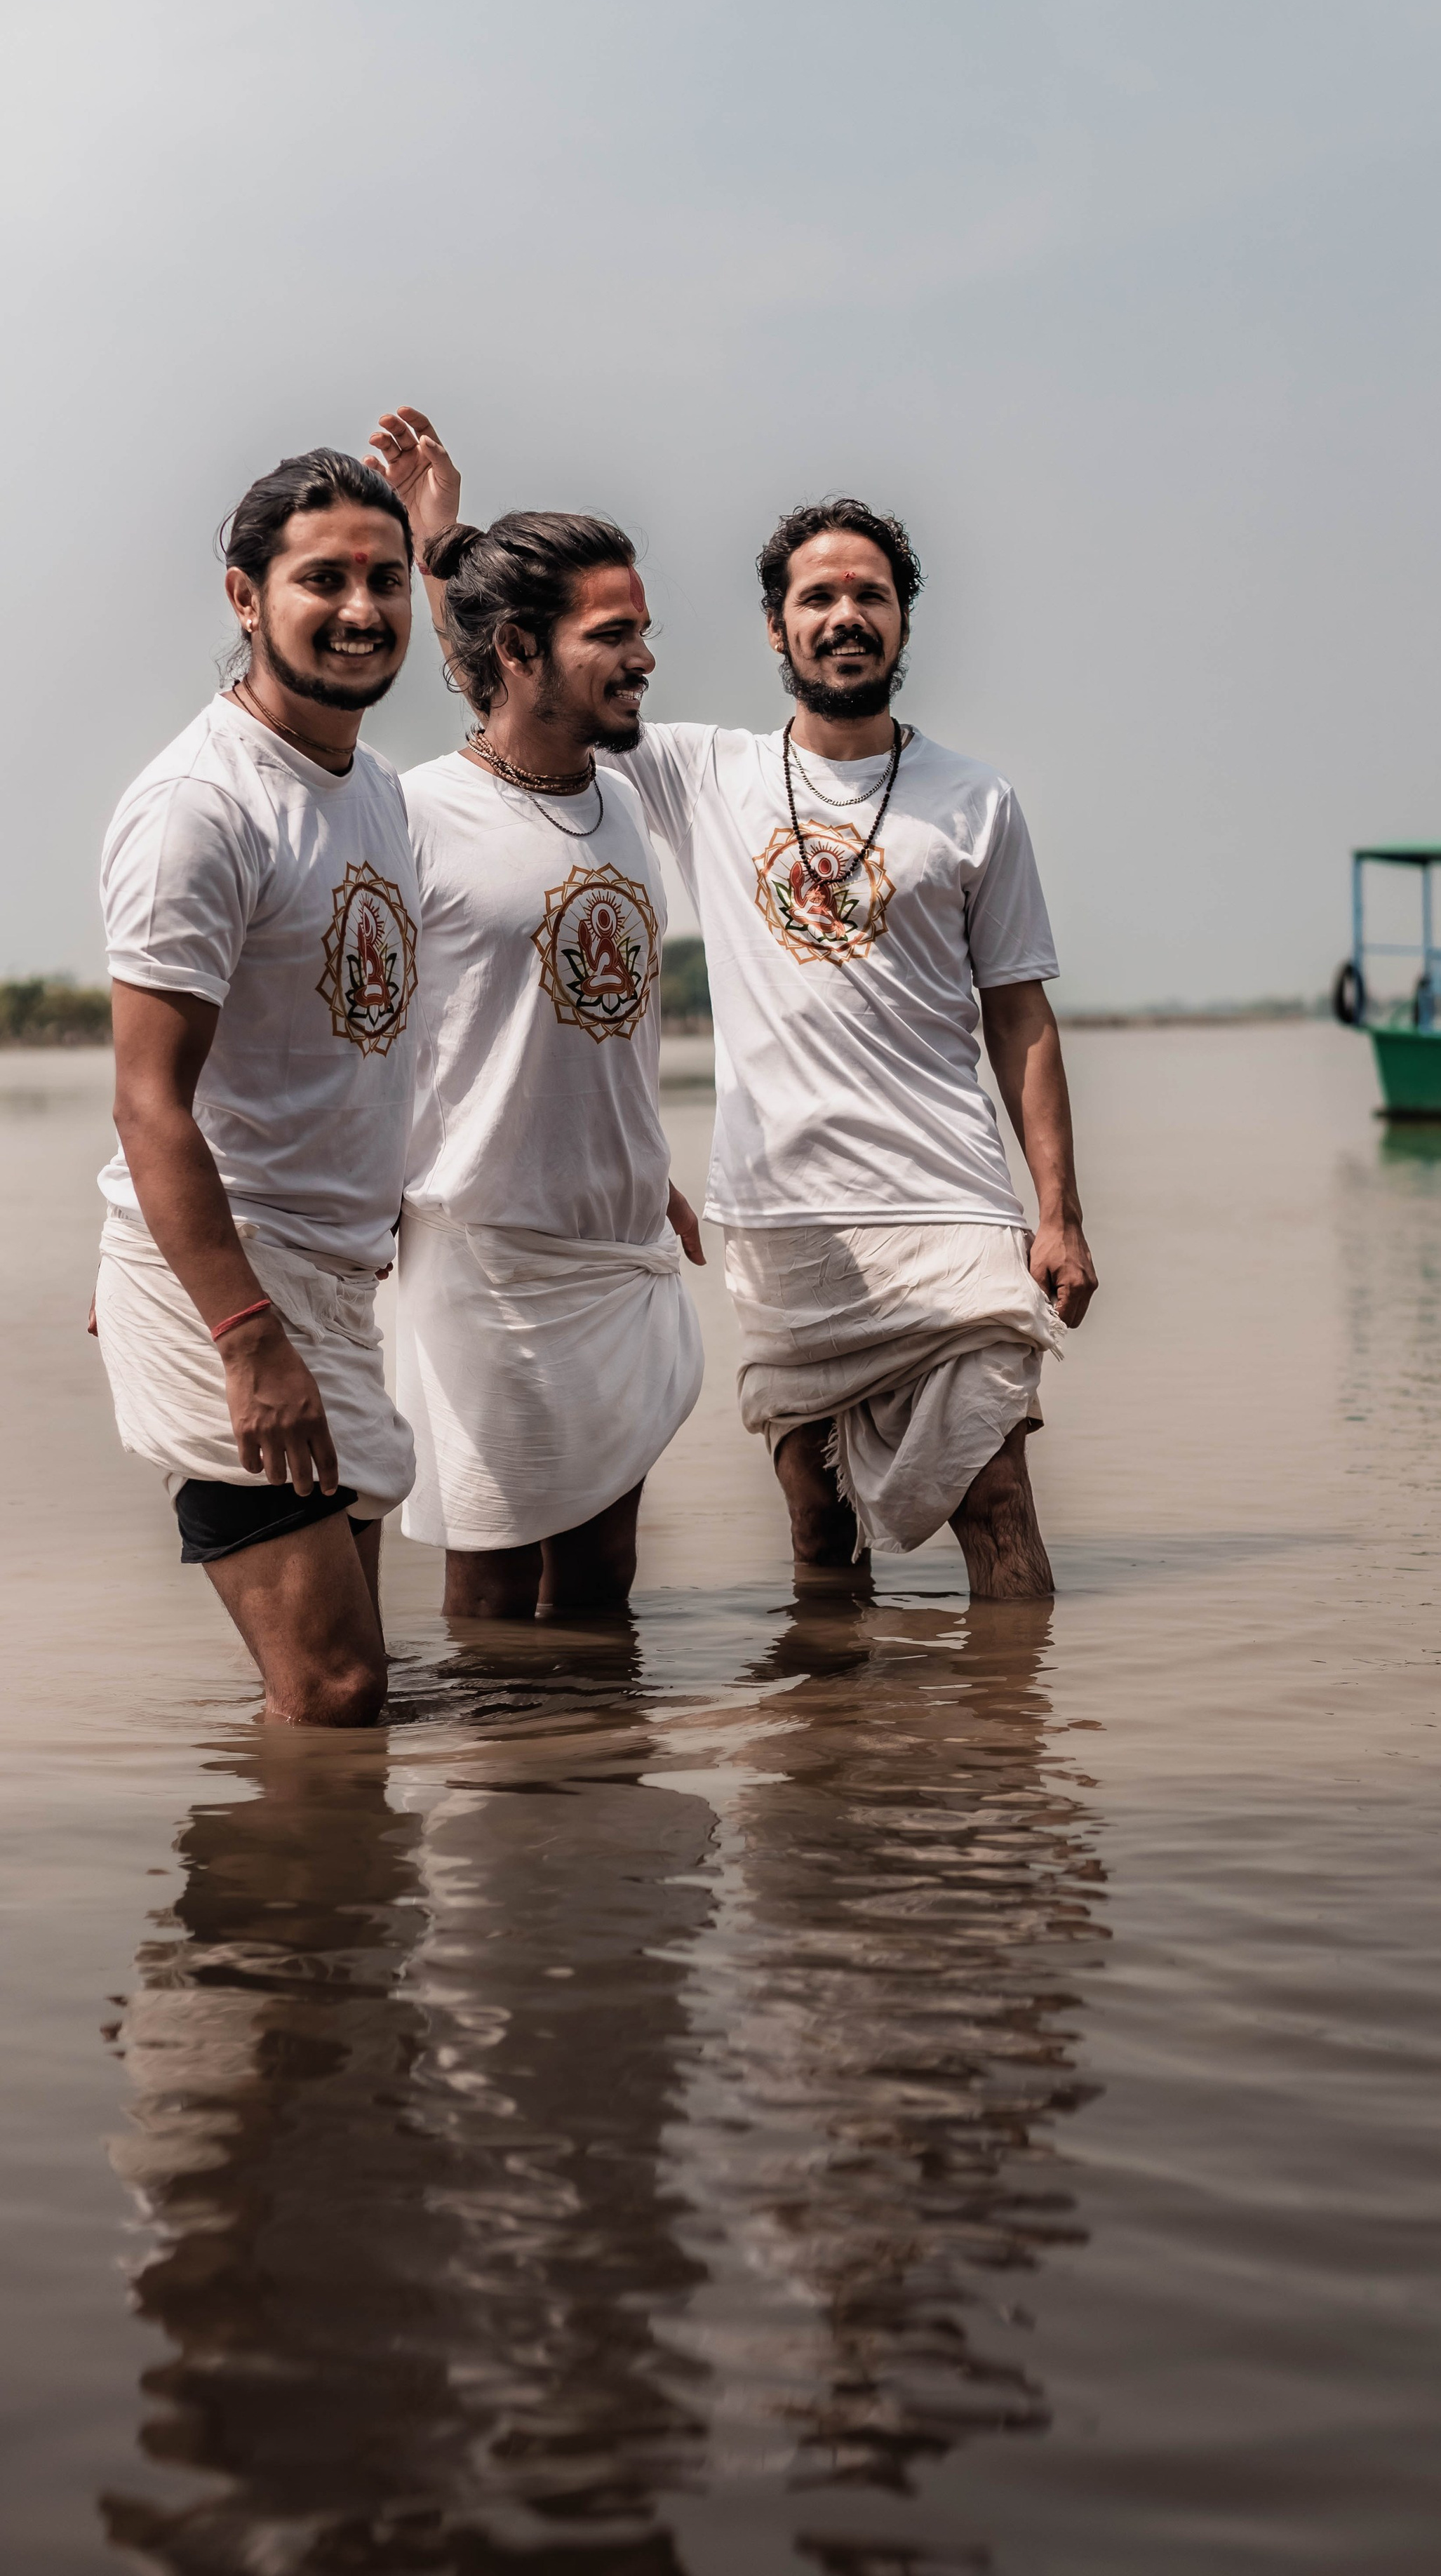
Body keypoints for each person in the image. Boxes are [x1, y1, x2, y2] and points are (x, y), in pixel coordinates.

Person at [367, 412, 1096, 1601]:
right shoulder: (699, 770)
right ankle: (822, 1779)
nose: (844, 615)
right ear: (777, 627)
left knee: (1000, 1498)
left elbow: (1022, 1016)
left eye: (869, 593)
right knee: (817, 1532)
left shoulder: (977, 800)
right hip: (781, 1215)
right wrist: (442, 540)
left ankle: (1010, 1764)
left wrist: (1055, 1212)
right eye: (816, 597)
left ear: (904, 617)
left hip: (950, 1202)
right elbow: (529, 686)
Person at [93, 450, 421, 1725]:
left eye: (385, 579)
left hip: (330, 1281)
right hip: (241, 1295)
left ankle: (314, 1916)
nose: (359, 608)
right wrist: (236, 1329)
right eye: (321, 578)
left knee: (348, 1701)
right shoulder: (201, 806)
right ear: (245, 595)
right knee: (336, 1687)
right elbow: (148, 1100)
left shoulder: (374, 790)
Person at [375, 502, 705, 1618]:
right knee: (497, 1569)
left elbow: (575, 1023)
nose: (643, 657)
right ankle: (499, 1787)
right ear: (519, 650)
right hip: (486, 1252)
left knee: (606, 1576)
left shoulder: (622, 798)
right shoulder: (413, 814)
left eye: (642, 629)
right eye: (611, 633)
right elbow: (355, 1037)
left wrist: (650, 1177)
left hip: (617, 1247)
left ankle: (600, 1781)